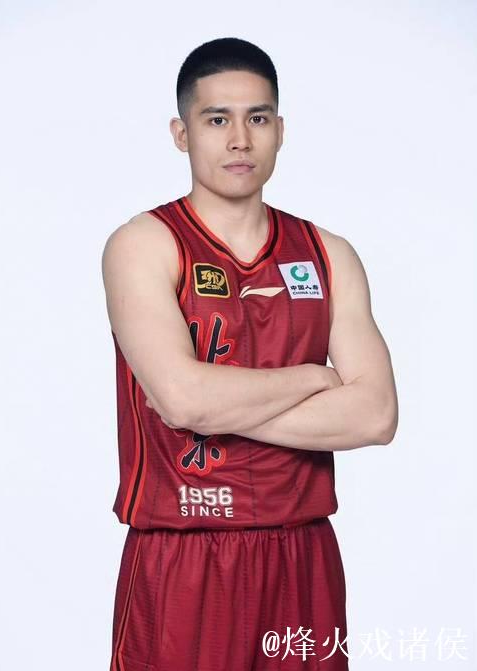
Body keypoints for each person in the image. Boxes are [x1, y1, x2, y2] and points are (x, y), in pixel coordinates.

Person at [102, 36, 398, 671]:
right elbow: (184, 400)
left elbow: (375, 416)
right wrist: (316, 377)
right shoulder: (144, 244)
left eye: (257, 118)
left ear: (280, 131)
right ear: (182, 134)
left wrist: (217, 403)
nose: (240, 139)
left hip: (303, 555)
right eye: (217, 120)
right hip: (184, 553)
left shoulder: (328, 254)